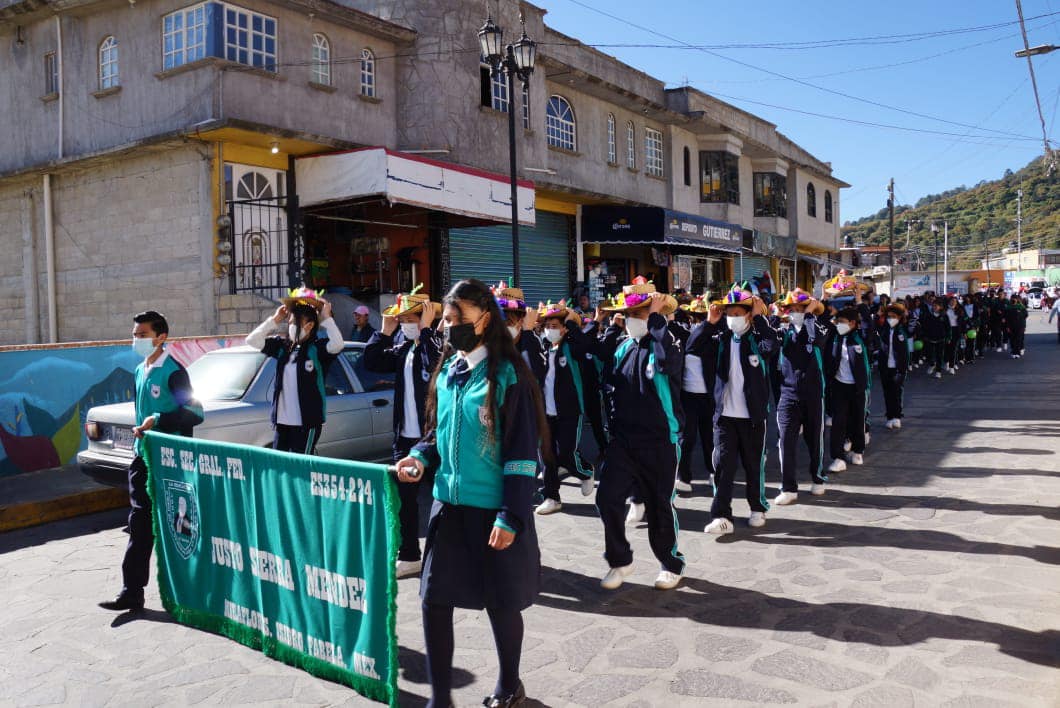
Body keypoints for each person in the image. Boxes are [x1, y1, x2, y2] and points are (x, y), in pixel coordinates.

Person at [395, 279, 547, 708]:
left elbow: (521, 455)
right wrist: (421, 458)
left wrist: (511, 515)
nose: (447, 327)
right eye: (445, 319)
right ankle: (440, 698)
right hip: (448, 507)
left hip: (492, 511)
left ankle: (509, 685)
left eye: (455, 318)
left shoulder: (508, 375)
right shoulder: (448, 373)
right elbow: (437, 434)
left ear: (483, 319)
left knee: (501, 603)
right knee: (433, 600)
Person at [100, 311, 203, 612]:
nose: (137, 339)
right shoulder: (139, 370)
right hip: (142, 456)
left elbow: (196, 413)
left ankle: (191, 592)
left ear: (161, 337)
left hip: (172, 460)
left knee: (180, 525)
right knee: (139, 522)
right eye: (135, 334)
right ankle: (131, 591)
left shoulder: (174, 372)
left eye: (143, 334)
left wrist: (158, 419)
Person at [593, 276, 686, 590]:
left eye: (641, 313)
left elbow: (668, 363)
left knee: (661, 505)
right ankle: (619, 560)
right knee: (607, 498)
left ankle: (671, 563)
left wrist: (658, 320)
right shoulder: (623, 347)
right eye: (631, 315)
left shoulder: (666, 340)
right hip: (624, 442)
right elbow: (604, 375)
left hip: (659, 441)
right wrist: (607, 326)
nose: (634, 320)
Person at [364, 286, 442, 579]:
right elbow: (371, 362)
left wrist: (427, 332)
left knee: (442, 499)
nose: (407, 323)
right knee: (404, 502)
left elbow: (436, 364)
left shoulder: (435, 344)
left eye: (412, 318)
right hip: (405, 440)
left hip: (432, 439)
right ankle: (409, 555)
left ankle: (448, 555)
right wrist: (384, 331)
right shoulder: (402, 347)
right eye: (404, 319)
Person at [701, 284, 779, 534]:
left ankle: (757, 507)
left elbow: (772, 345)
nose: (733, 318)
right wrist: (710, 323)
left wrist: (760, 318)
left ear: (747, 315)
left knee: (753, 464)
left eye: (738, 313)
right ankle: (721, 515)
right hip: (725, 416)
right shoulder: (720, 338)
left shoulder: (757, 339)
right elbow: (694, 346)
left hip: (752, 417)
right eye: (729, 313)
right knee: (723, 465)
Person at [245, 287, 344, 454]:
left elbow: (337, 345)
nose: (291, 326)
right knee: (281, 465)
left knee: (301, 467)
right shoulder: (283, 348)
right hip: (282, 422)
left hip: (306, 423)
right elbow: (252, 340)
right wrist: (275, 319)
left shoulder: (317, 349)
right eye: (290, 322)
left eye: (296, 323)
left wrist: (326, 318)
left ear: (310, 325)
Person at [535, 301, 597, 515]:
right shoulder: (542, 348)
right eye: (547, 325)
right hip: (545, 413)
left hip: (570, 411)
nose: (550, 329)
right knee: (547, 455)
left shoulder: (571, 347)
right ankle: (551, 496)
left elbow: (586, 344)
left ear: (563, 328)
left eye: (555, 325)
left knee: (565, 453)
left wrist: (571, 325)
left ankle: (585, 471)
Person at [772, 289, 829, 505]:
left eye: (800, 309)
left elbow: (818, 339)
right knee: (785, 440)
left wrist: (811, 314)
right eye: (793, 310)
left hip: (813, 393)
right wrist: (777, 316)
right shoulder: (782, 329)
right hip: (787, 393)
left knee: (815, 439)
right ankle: (788, 487)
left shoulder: (818, 325)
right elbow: (770, 341)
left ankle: (817, 477)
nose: (796, 313)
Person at [676, 295, 715, 495]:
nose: (698, 319)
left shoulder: (713, 335)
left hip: (708, 395)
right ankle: (683, 475)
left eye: (702, 315)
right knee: (687, 437)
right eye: (696, 315)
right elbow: (690, 343)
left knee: (710, 437)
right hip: (687, 395)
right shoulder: (682, 333)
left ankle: (713, 471)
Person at [826, 308, 872, 473]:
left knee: (858, 419)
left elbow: (869, 327)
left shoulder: (860, 338)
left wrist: (861, 304)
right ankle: (838, 457)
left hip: (858, 387)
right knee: (838, 422)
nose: (839, 325)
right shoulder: (835, 337)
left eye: (842, 322)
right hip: (839, 385)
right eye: (837, 322)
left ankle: (858, 450)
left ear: (853, 323)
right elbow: (823, 323)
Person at [877, 303, 910, 430]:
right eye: (889, 316)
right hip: (885, 367)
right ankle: (889, 417)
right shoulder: (884, 330)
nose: (891, 319)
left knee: (897, 392)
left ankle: (897, 416)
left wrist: (902, 371)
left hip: (897, 368)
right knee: (887, 393)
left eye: (893, 316)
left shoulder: (901, 331)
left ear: (899, 317)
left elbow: (905, 354)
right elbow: (875, 323)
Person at [920, 298, 950, 379]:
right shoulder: (928, 316)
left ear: (940, 307)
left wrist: (948, 337)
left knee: (939, 355)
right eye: (933, 306)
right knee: (929, 354)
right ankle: (932, 364)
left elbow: (948, 327)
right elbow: (924, 326)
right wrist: (924, 335)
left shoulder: (944, 316)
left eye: (936, 306)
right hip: (929, 338)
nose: (934, 307)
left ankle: (938, 371)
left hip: (941, 339)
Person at [1006, 294, 1028, 358]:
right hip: (1011, 326)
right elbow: (1007, 318)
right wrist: (1007, 326)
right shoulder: (1008, 307)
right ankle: (1013, 351)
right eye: (1012, 298)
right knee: (1012, 339)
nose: (1013, 300)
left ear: (1017, 299)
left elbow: (1025, 315)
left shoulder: (1021, 307)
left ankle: (1017, 352)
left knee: (1018, 339)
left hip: (1020, 326)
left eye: (1014, 299)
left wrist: (1024, 326)